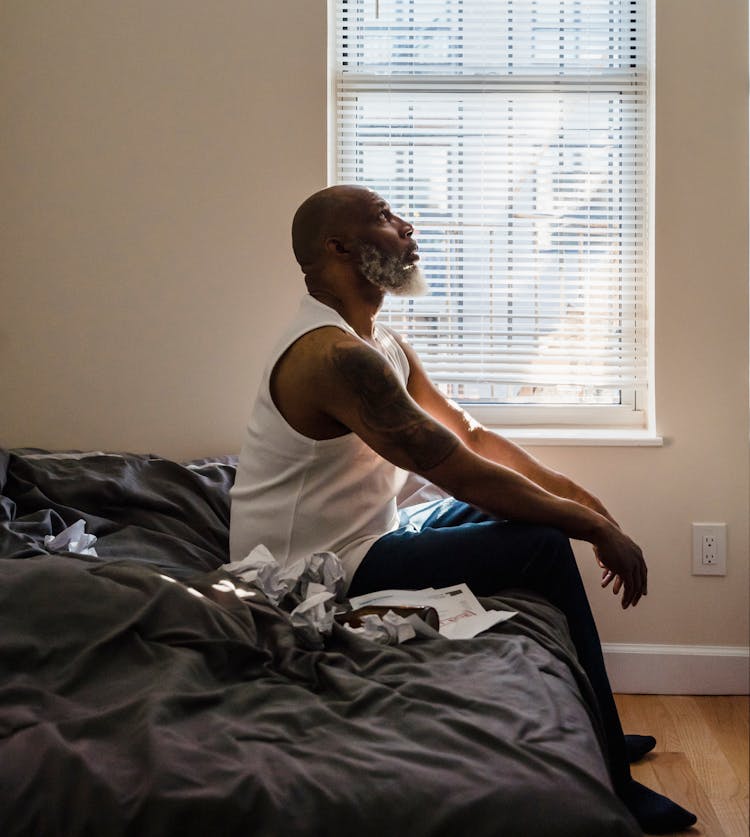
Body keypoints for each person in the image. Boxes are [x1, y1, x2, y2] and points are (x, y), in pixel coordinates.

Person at [230, 184, 697, 835]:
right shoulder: (331, 357)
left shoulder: (377, 340)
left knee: (537, 519)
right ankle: (617, 787)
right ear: (338, 246)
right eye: (385, 218)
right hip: (311, 571)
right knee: (540, 541)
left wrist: (596, 510)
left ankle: (599, 733)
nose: (407, 226)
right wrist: (585, 526)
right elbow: (451, 464)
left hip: (370, 532)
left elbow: (472, 437)